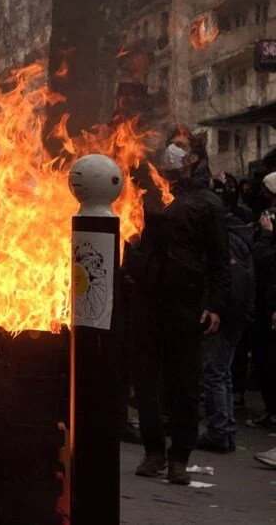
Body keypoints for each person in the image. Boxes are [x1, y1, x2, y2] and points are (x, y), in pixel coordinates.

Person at [130, 130, 230, 484]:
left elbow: (220, 259)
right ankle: (154, 452)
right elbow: (134, 238)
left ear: (193, 158)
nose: (172, 149)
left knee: (184, 383)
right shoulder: (151, 195)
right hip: (148, 298)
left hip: (186, 303)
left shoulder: (208, 203)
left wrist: (215, 306)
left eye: (181, 145)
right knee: (145, 379)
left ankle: (179, 457)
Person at [198, 203, 254, 452]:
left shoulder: (227, 241)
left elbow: (232, 281)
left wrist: (217, 309)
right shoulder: (239, 238)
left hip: (226, 315)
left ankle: (219, 432)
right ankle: (226, 430)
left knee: (215, 374)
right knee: (223, 373)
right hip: (237, 315)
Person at [247, 173, 276, 431]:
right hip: (263, 301)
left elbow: (262, 258)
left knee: (268, 360)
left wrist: (265, 236)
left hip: (270, 304)